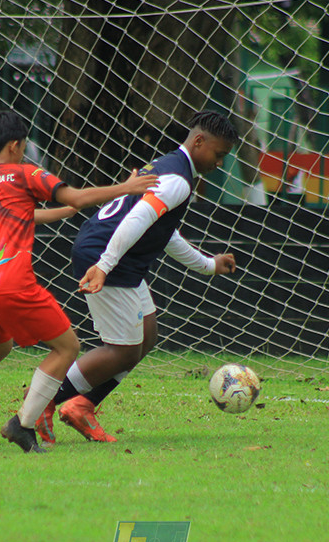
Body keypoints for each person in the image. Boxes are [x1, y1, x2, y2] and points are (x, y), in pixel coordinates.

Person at [0, 110, 157, 453]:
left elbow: (20, 214)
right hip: (10, 279)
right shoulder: (23, 173)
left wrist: (65, 212)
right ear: (15, 146)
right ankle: (23, 423)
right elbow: (74, 196)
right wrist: (126, 187)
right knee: (67, 347)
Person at [34, 110, 240, 444]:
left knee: (146, 335)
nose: (219, 163)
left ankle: (82, 405)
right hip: (105, 255)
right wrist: (104, 266)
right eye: (218, 154)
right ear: (199, 141)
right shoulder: (178, 180)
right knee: (124, 350)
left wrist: (208, 265)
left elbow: (164, 232)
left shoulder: (170, 166)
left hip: (114, 256)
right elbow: (137, 219)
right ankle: (41, 402)